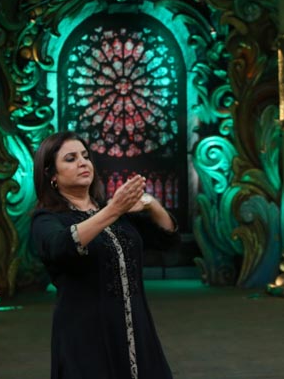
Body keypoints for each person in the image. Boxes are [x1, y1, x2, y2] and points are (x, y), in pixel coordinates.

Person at [31, 131, 177, 379]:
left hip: (137, 331)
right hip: (86, 338)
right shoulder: (46, 219)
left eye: (85, 156)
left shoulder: (115, 213)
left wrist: (150, 203)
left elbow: (168, 238)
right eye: (70, 158)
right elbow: (61, 246)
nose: (83, 162)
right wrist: (113, 210)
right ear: (51, 174)